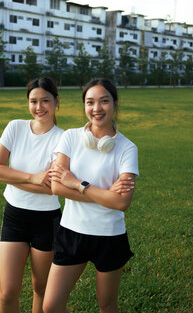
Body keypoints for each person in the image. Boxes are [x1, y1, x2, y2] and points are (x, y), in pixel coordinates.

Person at [44, 78, 139, 313]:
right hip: (72, 232)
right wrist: (107, 196)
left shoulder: (127, 148)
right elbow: (56, 187)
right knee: (51, 306)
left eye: (104, 101)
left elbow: (122, 203)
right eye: (90, 102)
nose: (96, 109)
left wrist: (77, 184)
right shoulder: (70, 137)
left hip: (109, 236)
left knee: (107, 305)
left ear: (115, 104)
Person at [0, 77, 63, 313]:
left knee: (41, 288)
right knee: (8, 292)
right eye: (33, 101)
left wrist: (11, 176)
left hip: (47, 220)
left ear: (56, 102)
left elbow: (53, 187)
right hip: (14, 217)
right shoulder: (15, 127)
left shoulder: (63, 138)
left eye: (45, 100)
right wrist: (33, 178)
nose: (39, 107)